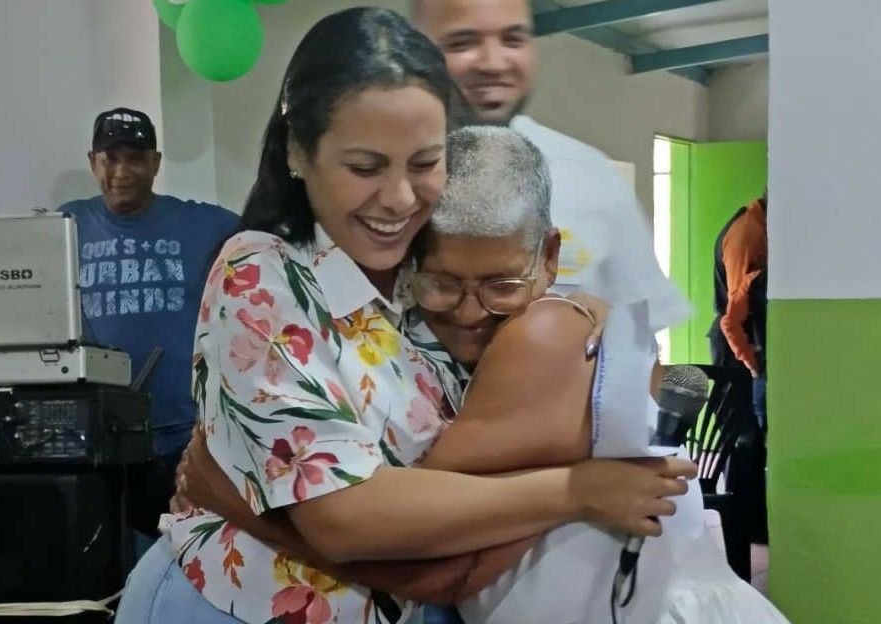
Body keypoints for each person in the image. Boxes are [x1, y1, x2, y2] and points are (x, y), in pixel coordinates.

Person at [114, 9, 695, 624]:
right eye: (364, 167)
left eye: (424, 164)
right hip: (230, 606)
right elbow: (346, 521)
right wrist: (576, 491)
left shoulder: (428, 286)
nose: (398, 198)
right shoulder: (264, 272)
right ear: (297, 152)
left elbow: (445, 566)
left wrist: (575, 301)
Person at [172, 126, 789, 623]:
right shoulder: (427, 334)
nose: (469, 312)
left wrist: (235, 503)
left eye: (500, 284)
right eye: (442, 282)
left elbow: (437, 567)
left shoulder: (544, 340)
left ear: (548, 256)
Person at [410, 0, 689, 347]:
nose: (494, 63)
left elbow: (642, 335)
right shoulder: (391, 184)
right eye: (462, 42)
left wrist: (600, 328)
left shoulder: (591, 177)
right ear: (418, 50)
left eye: (512, 39)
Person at [58, 107, 240, 551]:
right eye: (110, 158)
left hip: (181, 436)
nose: (122, 172)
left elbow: (272, 238)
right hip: (95, 437)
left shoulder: (205, 225)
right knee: (98, 567)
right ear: (93, 162)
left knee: (178, 561)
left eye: (135, 159)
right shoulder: (64, 226)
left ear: (156, 163)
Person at [709, 190, 768, 430]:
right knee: (741, 437)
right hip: (736, 347)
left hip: (746, 344)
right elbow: (733, 314)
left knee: (752, 441)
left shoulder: (758, 227)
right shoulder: (748, 233)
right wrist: (753, 364)